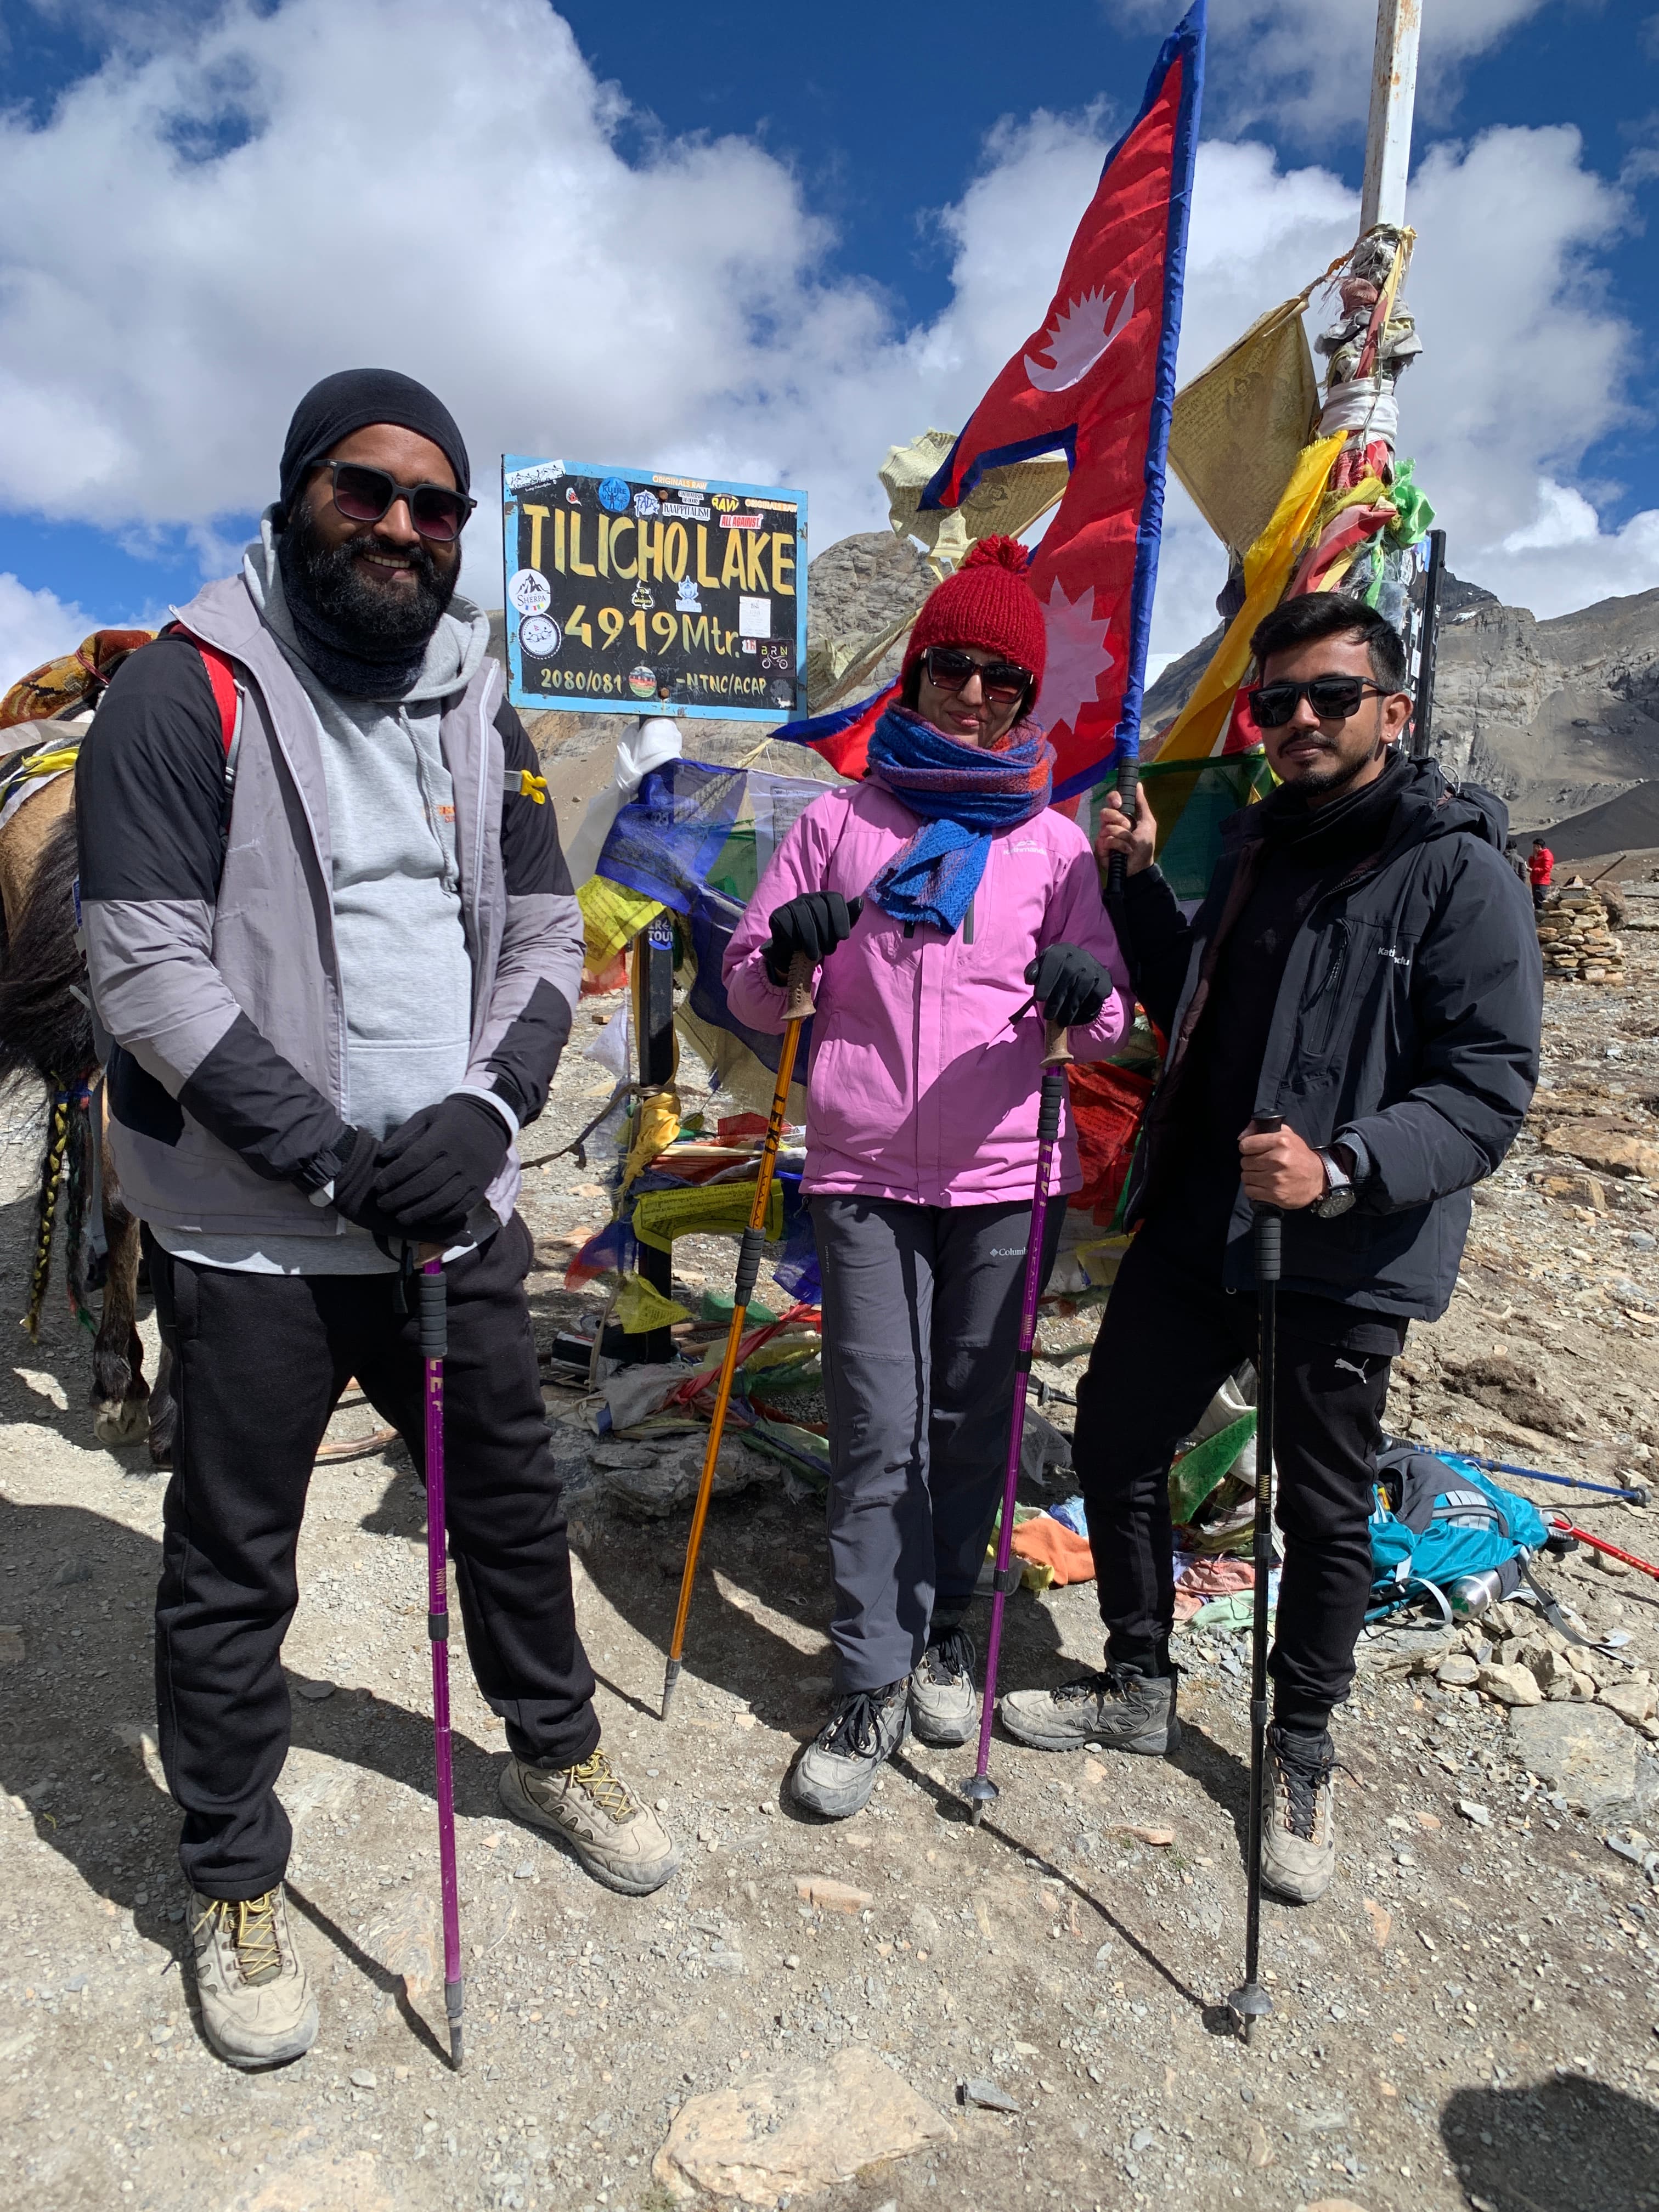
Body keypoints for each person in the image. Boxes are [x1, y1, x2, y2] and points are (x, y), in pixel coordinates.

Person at [77, 370, 678, 2072]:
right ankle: (232, 1873)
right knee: (231, 1563)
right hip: (256, 1234)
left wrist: (487, 1111)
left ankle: (553, 1749)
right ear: (294, 497)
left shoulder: (478, 708)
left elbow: (549, 941)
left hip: (457, 1209)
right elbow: (143, 967)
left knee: (506, 1504)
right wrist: (341, 1163)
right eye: (367, 490)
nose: (402, 527)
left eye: (435, 504)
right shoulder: (182, 696)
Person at [1001, 591, 1541, 1904]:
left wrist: (1346, 1163)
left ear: (1393, 714)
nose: (1299, 719)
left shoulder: (1454, 872)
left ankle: (1298, 1747)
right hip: (1201, 1222)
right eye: (1278, 701)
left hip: (1344, 1249)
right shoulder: (1252, 844)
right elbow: (1196, 994)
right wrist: (1133, 883)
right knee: (1120, 1442)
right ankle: (1138, 1679)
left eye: (1330, 697)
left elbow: (1488, 1087)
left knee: (1322, 1503)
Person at [724, 537, 1130, 1819]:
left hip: (1007, 1180)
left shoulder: (1057, 850)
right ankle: (871, 1674)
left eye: (1001, 681)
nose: (974, 697)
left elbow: (1109, 1014)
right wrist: (782, 952)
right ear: (916, 674)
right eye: (954, 669)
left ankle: (947, 1626)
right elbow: (748, 984)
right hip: (859, 1175)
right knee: (874, 1430)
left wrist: (1090, 993)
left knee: (972, 1423)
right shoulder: (839, 823)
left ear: (1026, 701)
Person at [1529, 835, 1555, 909]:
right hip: (1535, 881)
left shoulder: (1547, 855)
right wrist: (1533, 857)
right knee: (1536, 901)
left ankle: (1541, 918)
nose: (1534, 849)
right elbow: (1532, 865)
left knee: (1540, 901)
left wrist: (1534, 870)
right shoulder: (1539, 855)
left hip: (1542, 881)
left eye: (1535, 847)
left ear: (1539, 846)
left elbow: (1546, 869)